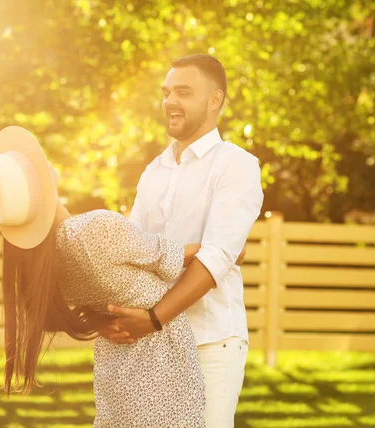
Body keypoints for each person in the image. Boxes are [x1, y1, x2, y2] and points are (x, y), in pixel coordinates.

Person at [0, 125, 208, 427]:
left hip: (117, 381)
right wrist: (225, 247)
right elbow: (171, 256)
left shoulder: (47, 261)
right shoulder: (95, 229)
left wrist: (4, 212)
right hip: (161, 376)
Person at [102, 54, 264, 427]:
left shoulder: (236, 165)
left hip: (209, 342)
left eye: (184, 92)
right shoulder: (153, 172)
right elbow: (131, 254)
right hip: (151, 344)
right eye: (167, 92)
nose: (171, 101)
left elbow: (217, 258)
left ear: (215, 100)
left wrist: (154, 318)